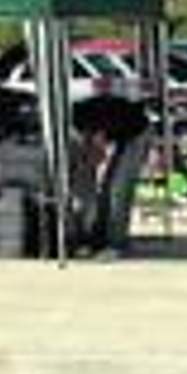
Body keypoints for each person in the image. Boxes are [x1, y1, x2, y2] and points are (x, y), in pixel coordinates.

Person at [70, 91, 152, 257]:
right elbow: (90, 158)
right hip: (121, 131)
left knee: (118, 190)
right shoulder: (78, 121)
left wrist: (85, 172)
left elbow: (96, 154)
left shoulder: (81, 121)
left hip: (137, 132)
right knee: (106, 188)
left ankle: (116, 244)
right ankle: (98, 240)